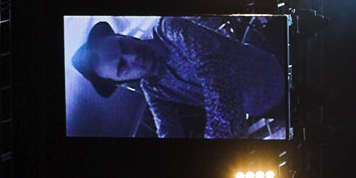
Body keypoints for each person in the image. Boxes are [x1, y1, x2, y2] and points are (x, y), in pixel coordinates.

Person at [71, 18, 285, 138]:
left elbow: (214, 72)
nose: (133, 56)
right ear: (122, 82)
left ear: (125, 36)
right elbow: (167, 129)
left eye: (124, 46)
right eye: (122, 67)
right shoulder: (153, 91)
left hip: (281, 70)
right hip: (267, 108)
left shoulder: (169, 29)